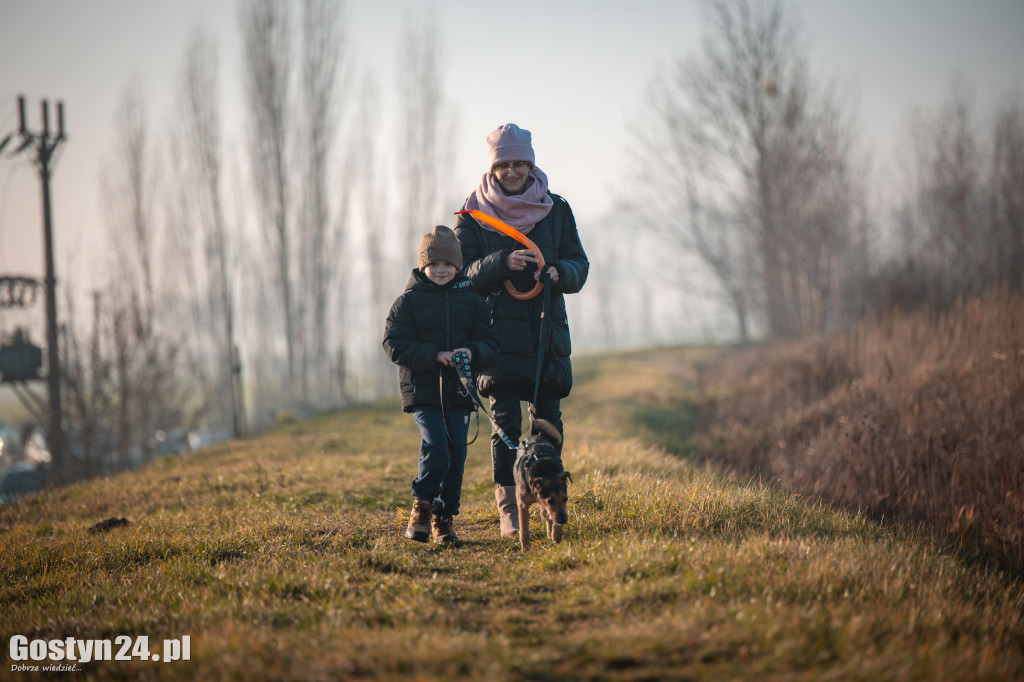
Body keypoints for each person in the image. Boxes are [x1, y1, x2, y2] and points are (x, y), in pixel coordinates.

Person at [454, 123, 589, 538]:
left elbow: (579, 266)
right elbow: (461, 276)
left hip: (547, 332)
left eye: (520, 164)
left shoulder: (557, 209)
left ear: (531, 164)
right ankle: (510, 510)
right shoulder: (472, 215)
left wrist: (557, 271)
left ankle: (551, 502)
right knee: (505, 425)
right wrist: (501, 264)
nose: (513, 172)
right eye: (505, 165)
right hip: (497, 336)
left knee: (548, 423)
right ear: (493, 168)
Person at [383, 225, 500, 544]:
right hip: (423, 392)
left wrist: (471, 352)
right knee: (437, 448)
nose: (441, 270)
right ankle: (422, 506)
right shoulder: (408, 301)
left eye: (448, 265)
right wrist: (435, 355)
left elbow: (491, 344)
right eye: (434, 265)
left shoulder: (473, 301)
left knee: (456, 458)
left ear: (458, 266)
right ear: (423, 266)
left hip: (460, 393)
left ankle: (443, 520)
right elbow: (393, 343)